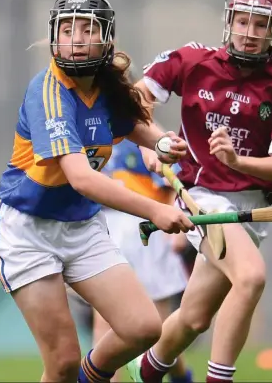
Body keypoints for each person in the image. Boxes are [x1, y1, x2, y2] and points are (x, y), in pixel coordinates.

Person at [0, 0, 195, 383]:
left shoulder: (104, 84)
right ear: (54, 38)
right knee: (62, 362)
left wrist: (162, 142)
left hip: (81, 227)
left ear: (106, 39)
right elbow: (81, 178)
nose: (77, 39)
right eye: (67, 30)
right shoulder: (49, 91)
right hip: (27, 233)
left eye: (88, 29)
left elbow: (126, 122)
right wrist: (155, 210)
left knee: (144, 328)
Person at [126, 0, 272, 383]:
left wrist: (238, 159)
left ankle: (144, 372)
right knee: (251, 277)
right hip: (202, 198)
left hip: (251, 209)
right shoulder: (192, 60)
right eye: (242, 20)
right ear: (228, 21)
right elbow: (135, 101)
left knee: (193, 319)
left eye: (260, 24)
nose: (248, 31)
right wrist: (153, 143)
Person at [92, 138, 194, 383]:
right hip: (105, 231)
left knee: (158, 328)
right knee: (105, 320)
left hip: (147, 232)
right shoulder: (95, 135)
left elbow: (172, 186)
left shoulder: (147, 138)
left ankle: (181, 377)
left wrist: (178, 232)